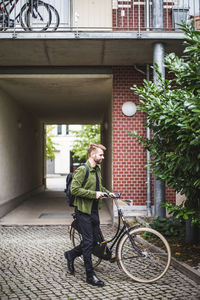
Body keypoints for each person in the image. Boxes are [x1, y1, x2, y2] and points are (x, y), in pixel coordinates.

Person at [64, 143, 114, 287]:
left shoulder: (97, 169)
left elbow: (98, 187)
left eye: (103, 155)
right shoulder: (82, 170)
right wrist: (94, 194)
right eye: (101, 155)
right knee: (88, 242)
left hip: (93, 210)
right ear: (92, 154)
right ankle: (90, 275)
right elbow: (74, 189)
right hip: (83, 211)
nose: (103, 157)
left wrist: (107, 192)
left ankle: (71, 254)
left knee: (94, 241)